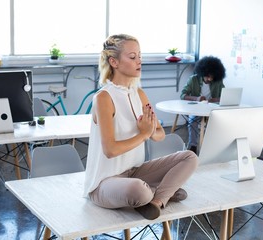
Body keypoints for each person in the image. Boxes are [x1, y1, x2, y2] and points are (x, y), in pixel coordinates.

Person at [83, 34, 198, 220]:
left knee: (189, 157)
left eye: (140, 56)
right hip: (104, 183)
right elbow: (110, 150)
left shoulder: (139, 94)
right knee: (139, 191)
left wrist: (150, 130)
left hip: (135, 172)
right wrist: (144, 134)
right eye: (132, 57)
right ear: (114, 62)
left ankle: (157, 201)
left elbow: (160, 134)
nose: (139, 61)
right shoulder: (104, 98)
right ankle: (159, 192)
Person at [180, 56, 226, 153]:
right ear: (202, 72)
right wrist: (196, 98)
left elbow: (225, 96)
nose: (210, 79)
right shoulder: (193, 80)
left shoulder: (218, 82)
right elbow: (183, 95)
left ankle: (212, 146)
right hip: (196, 109)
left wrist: (215, 99)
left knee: (218, 122)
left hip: (212, 110)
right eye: (208, 76)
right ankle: (193, 146)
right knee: (192, 121)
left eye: (212, 77)